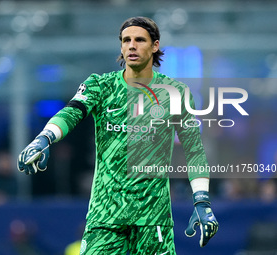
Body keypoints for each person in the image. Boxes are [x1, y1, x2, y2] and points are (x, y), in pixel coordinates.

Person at [17, 16, 218, 255]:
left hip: (153, 220)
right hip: (105, 218)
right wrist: (45, 137)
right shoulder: (100, 86)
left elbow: (194, 150)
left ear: (155, 46)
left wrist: (202, 200)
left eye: (139, 40)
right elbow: (72, 112)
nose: (131, 46)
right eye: (126, 40)